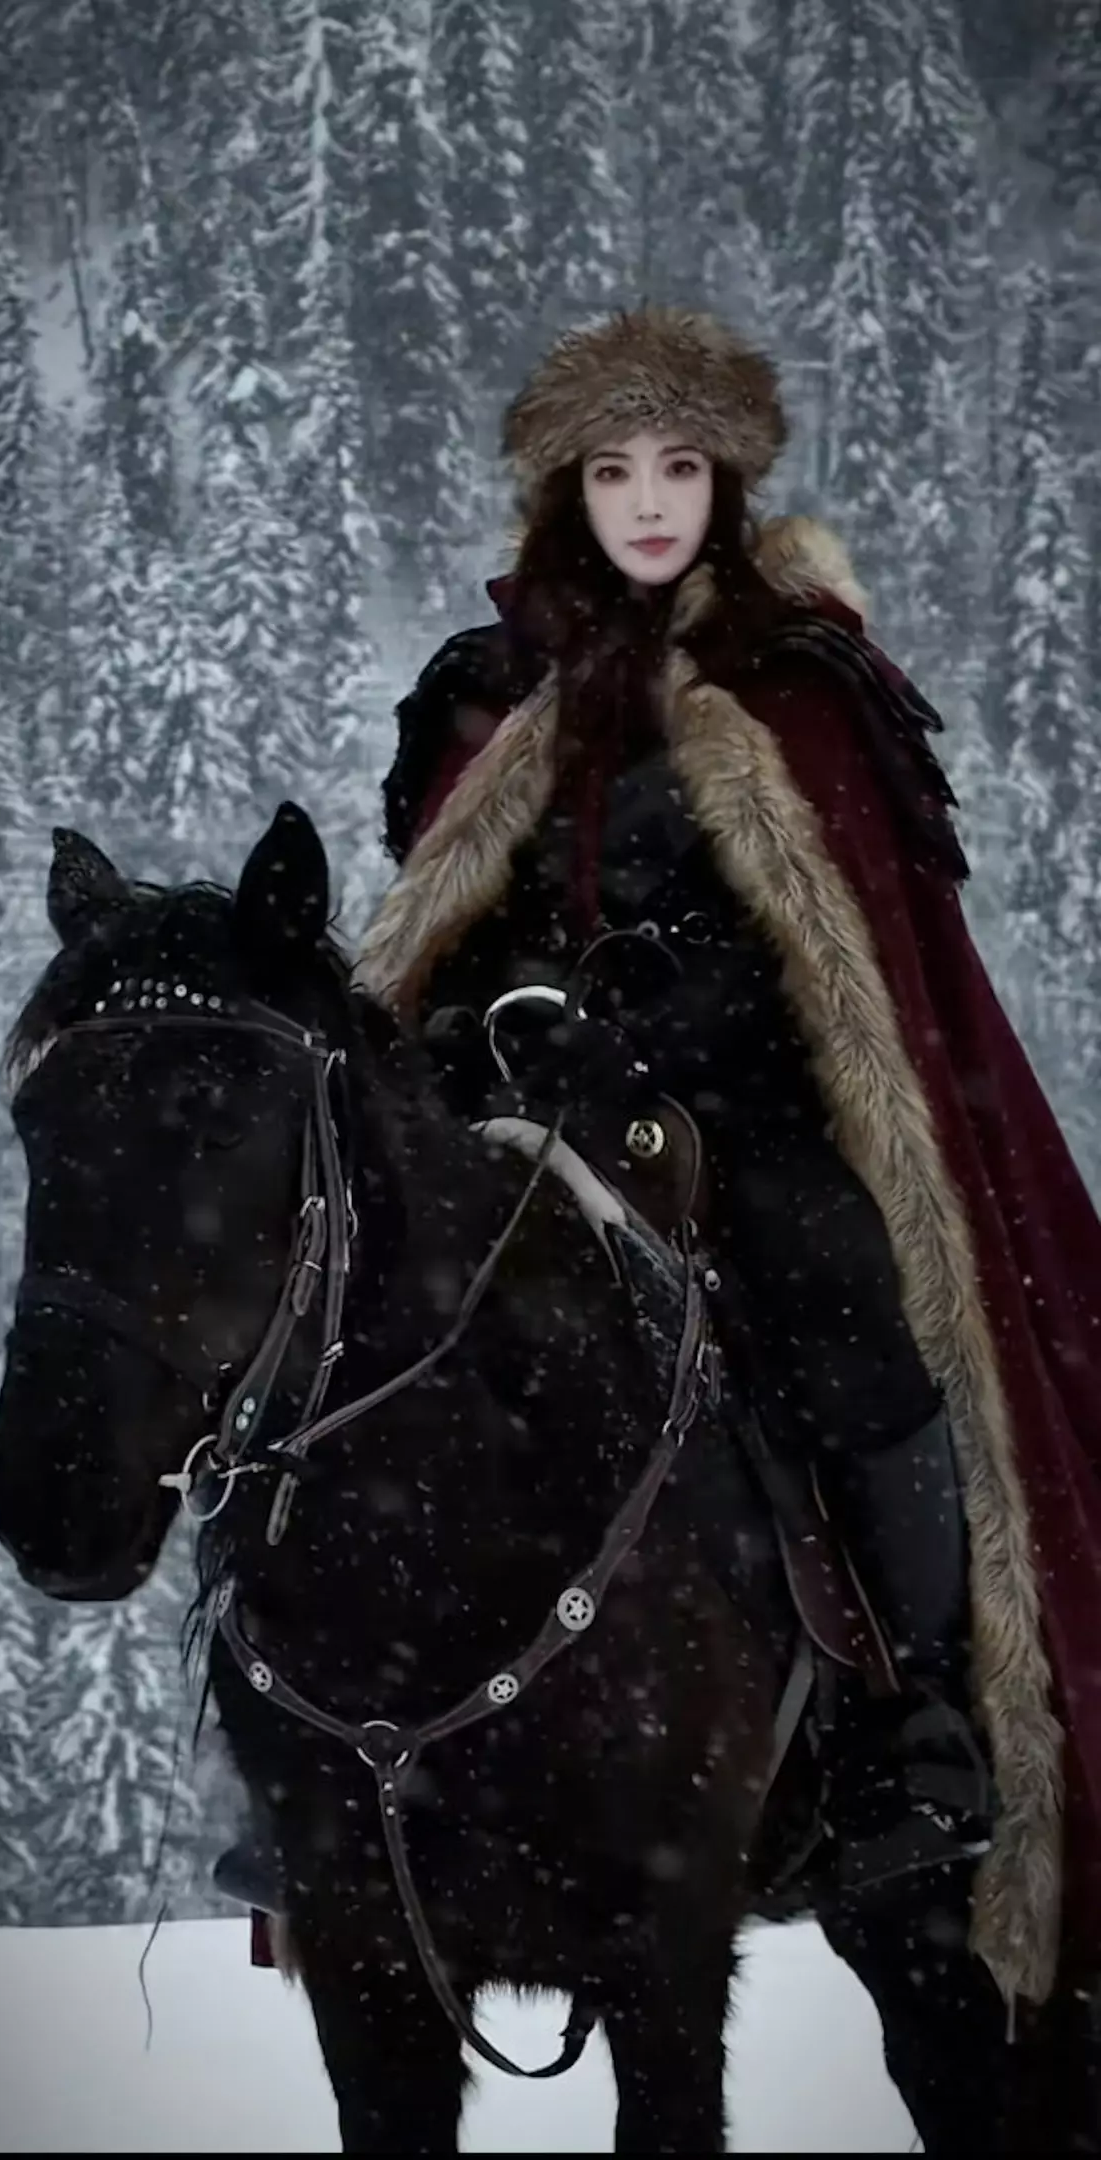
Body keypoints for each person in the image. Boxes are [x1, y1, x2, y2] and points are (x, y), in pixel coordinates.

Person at [347, 305, 1101, 2016]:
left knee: (847, 1307)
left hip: (740, 1125)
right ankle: (347, 1731)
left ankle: (911, 1718)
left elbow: (845, 965)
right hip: (518, 1117)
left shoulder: (799, 682)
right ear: (566, 491)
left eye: (679, 467)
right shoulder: (481, 694)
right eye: (613, 470)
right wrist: (492, 1022)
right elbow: (440, 929)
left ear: (726, 482)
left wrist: (668, 1026)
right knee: (353, 1336)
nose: (648, 502)